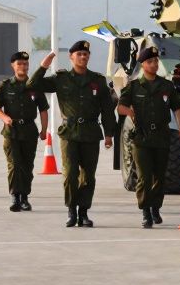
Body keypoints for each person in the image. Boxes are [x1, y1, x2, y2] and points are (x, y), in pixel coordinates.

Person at [29, 41, 116, 227]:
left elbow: (107, 109)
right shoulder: (61, 78)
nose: (83, 57)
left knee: (88, 176)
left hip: (91, 133)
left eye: (86, 54)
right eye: (79, 54)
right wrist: (43, 66)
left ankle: (83, 212)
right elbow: (32, 84)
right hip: (69, 133)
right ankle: (71, 210)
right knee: (69, 174)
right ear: (71, 57)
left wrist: (109, 134)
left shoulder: (98, 80)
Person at [117, 45, 180, 228]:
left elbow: (178, 108)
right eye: (150, 61)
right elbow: (120, 107)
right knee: (144, 177)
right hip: (141, 137)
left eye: (156, 61)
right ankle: (146, 211)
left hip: (162, 137)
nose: (154, 64)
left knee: (160, 177)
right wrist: (130, 112)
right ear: (143, 64)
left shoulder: (166, 86)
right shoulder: (134, 86)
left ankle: (155, 207)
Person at [0, 51, 50, 212]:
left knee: (27, 165)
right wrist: (4, 117)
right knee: (14, 164)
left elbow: (43, 109)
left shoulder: (34, 85)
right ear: (13, 66)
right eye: (19, 64)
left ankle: (24, 197)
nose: (23, 66)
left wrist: (44, 130)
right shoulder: (5, 85)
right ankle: (15, 196)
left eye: (25, 64)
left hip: (30, 131)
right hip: (11, 131)